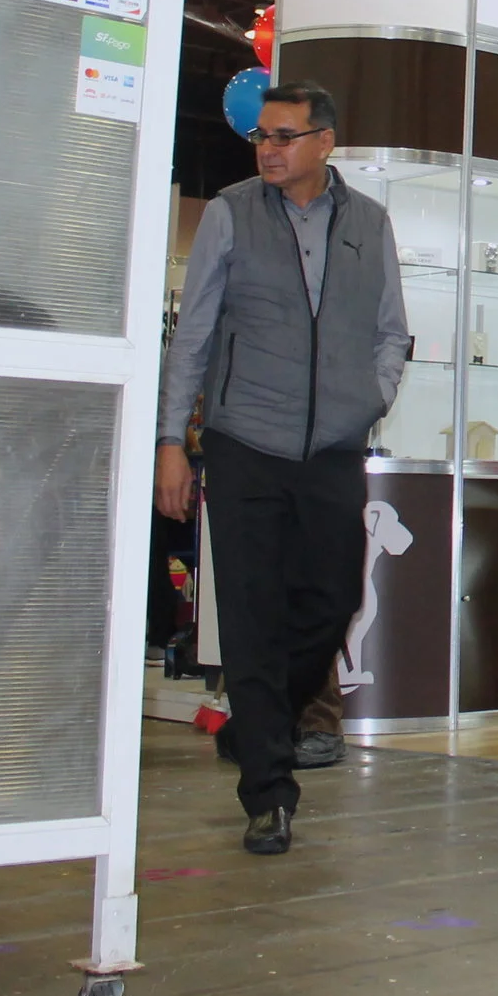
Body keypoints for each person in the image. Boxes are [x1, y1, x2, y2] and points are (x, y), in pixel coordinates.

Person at [155, 81, 411, 855]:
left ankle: (258, 721)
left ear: (325, 142)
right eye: (262, 136)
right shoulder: (232, 213)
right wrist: (173, 439)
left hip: (333, 447)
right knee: (252, 611)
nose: (269, 148)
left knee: (331, 602)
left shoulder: (369, 222)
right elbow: (192, 334)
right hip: (245, 444)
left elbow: (391, 329)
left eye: (286, 136)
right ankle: (269, 790)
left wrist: (371, 397)